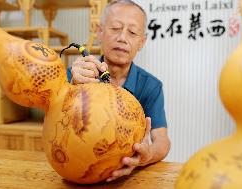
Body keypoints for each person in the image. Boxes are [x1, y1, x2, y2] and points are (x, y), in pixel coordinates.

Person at [67, 0, 171, 182]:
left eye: (132, 32)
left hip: (126, 178)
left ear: (142, 41)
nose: (122, 37)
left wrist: (145, 157)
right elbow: (53, 126)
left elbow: (162, 142)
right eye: (115, 28)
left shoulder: (151, 85)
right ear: (99, 31)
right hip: (77, 171)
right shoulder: (77, 75)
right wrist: (70, 89)